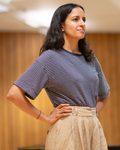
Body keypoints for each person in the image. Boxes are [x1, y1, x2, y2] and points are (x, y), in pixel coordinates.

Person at [7, 3, 110, 150]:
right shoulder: (50, 58)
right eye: (76, 19)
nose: (82, 23)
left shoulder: (90, 58)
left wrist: (91, 114)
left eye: (84, 20)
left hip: (93, 127)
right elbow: (13, 94)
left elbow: (104, 94)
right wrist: (45, 117)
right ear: (61, 25)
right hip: (67, 128)